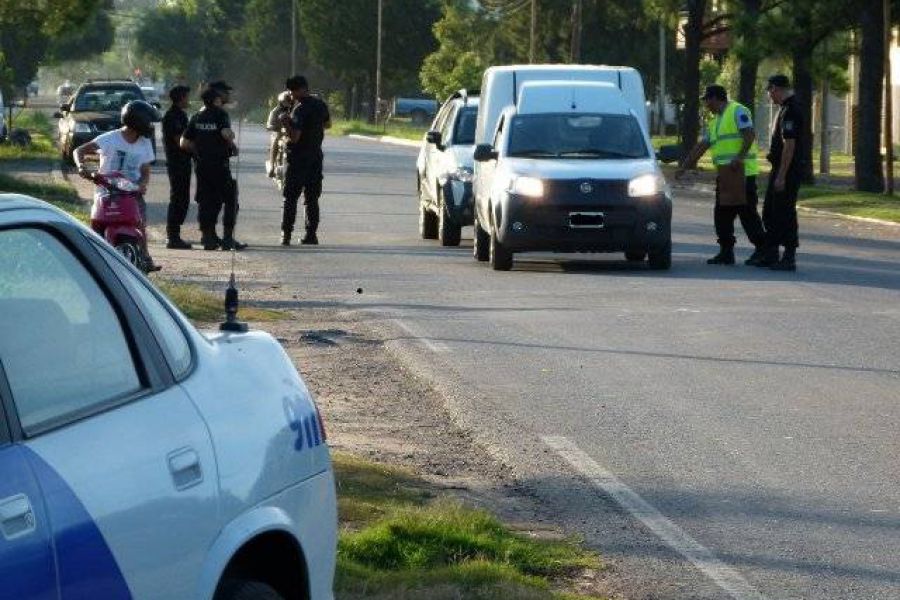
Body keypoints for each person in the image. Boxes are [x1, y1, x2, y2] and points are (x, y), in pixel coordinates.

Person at [676, 85, 766, 265]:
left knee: (747, 214)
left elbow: (749, 134)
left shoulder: (737, 111)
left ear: (716, 98)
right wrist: (685, 166)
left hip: (742, 173)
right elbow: (703, 145)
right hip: (726, 176)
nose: (706, 104)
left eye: (707, 100)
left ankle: (764, 250)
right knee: (722, 215)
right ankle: (726, 251)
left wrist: (739, 157)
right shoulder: (715, 121)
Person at [74, 100, 161, 271]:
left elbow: (145, 171)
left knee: (140, 223)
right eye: (148, 122)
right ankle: (93, 260)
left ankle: (145, 257)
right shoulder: (110, 139)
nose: (150, 126)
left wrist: (143, 184)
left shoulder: (144, 143)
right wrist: (81, 166)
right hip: (105, 191)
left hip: (132, 193)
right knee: (96, 225)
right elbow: (79, 151)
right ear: (138, 121)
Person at [180, 87, 245, 251]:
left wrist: (200, 152)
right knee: (231, 199)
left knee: (207, 201)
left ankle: (208, 238)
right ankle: (228, 239)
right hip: (220, 166)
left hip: (202, 166)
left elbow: (184, 143)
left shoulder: (196, 116)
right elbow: (225, 133)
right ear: (216, 100)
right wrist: (232, 142)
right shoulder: (220, 114)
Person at [279, 75, 331, 246]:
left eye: (292, 91)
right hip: (315, 156)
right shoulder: (320, 104)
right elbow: (328, 124)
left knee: (291, 197)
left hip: (298, 158)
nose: (291, 95)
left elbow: (294, 138)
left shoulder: (299, 109)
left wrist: (286, 122)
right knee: (312, 198)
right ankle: (311, 234)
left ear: (299, 89)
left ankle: (286, 234)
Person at [759, 74, 803, 271]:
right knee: (770, 211)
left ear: (776, 89)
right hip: (779, 168)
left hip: (787, 170)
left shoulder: (791, 110)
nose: (769, 95)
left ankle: (789, 256)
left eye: (770, 91)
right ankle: (771, 253)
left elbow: (790, 146)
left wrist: (781, 176)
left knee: (784, 213)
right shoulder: (784, 109)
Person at [162, 85, 193, 249]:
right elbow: (180, 141)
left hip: (183, 162)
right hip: (177, 162)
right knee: (178, 199)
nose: (189, 100)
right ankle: (172, 236)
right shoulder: (173, 116)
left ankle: (175, 234)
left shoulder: (180, 114)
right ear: (181, 98)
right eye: (187, 97)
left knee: (183, 198)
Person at [267, 91, 293, 178]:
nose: (288, 103)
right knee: (276, 139)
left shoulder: (296, 110)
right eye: (286, 101)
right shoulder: (275, 111)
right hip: (279, 134)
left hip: (292, 134)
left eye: (289, 100)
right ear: (281, 101)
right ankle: (272, 166)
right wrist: (273, 127)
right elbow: (269, 124)